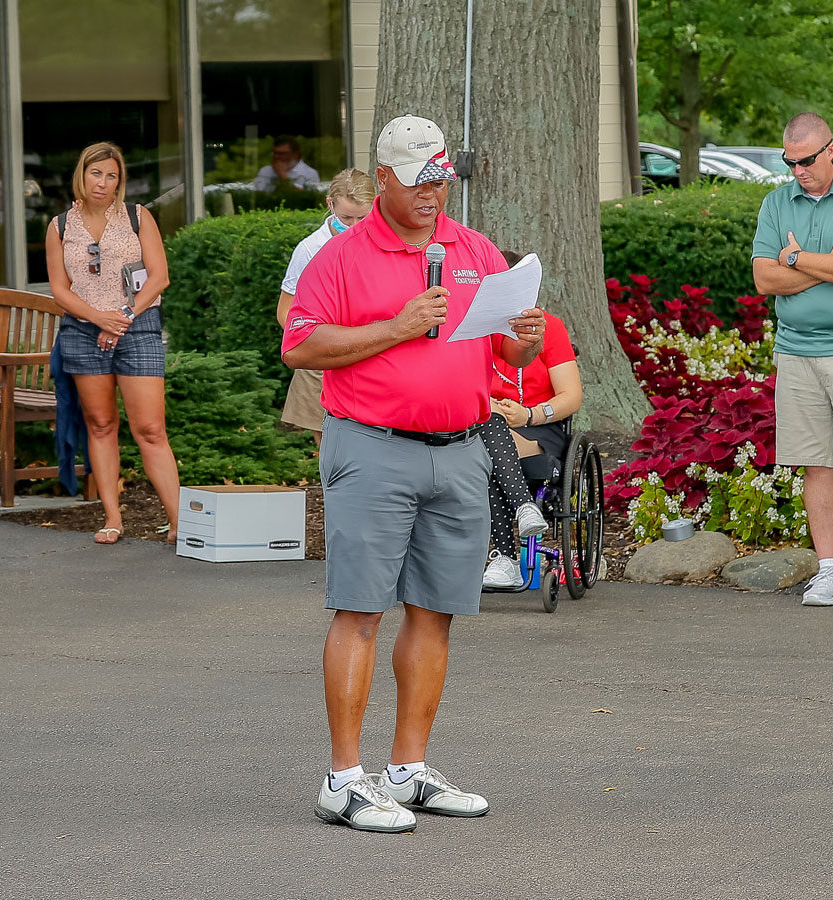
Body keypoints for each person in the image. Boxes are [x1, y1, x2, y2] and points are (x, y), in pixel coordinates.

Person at [281, 114, 545, 833]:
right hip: (372, 446)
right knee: (361, 609)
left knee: (435, 612)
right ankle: (343, 781)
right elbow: (300, 347)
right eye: (421, 179)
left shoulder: (473, 248)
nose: (435, 193)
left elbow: (503, 355)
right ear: (386, 177)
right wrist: (397, 326)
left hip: (461, 449)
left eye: (443, 179)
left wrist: (524, 345)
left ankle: (407, 769)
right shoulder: (340, 257)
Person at [752, 111, 833, 607]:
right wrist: (829, 266)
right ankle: (831, 573)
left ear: (831, 150)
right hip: (797, 351)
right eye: (789, 162)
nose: (798, 170)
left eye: (806, 160)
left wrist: (797, 259)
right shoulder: (776, 202)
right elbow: (764, 279)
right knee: (816, 465)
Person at [45, 142, 180, 546]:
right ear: (81, 175)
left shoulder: (138, 217)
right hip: (84, 332)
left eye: (111, 175)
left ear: (120, 180)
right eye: (95, 173)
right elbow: (59, 289)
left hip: (136, 327)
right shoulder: (60, 226)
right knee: (100, 425)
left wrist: (118, 320)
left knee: (151, 428)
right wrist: (96, 318)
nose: (103, 182)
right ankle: (112, 518)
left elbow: (158, 277)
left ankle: (180, 524)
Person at [482, 256, 583, 588]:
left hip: (539, 426)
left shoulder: (548, 327)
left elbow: (571, 396)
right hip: (484, 425)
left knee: (484, 448)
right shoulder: (476, 330)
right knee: (485, 433)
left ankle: (506, 558)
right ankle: (524, 508)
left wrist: (530, 414)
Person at [276, 169, 376, 445]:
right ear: (329, 204)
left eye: (362, 218)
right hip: (323, 359)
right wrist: (313, 343)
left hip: (372, 352)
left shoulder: (383, 244)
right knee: (330, 447)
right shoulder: (310, 249)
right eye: (346, 218)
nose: (354, 225)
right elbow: (286, 311)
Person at [253, 135, 319, 191]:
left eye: (282, 153)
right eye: (275, 153)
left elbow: (307, 198)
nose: (276, 157)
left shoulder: (310, 173)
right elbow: (259, 194)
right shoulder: (265, 170)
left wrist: (282, 175)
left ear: (295, 154)